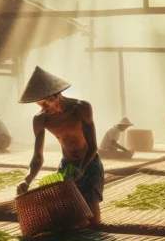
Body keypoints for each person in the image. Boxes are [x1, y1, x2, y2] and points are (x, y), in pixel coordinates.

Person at [16, 66, 104, 227]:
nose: (44, 108)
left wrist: (82, 169)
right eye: (39, 105)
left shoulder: (81, 108)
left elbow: (92, 146)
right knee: (70, 218)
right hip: (67, 165)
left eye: (46, 103)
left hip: (89, 162)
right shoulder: (40, 120)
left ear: (57, 96)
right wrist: (27, 179)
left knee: (94, 221)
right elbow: (38, 155)